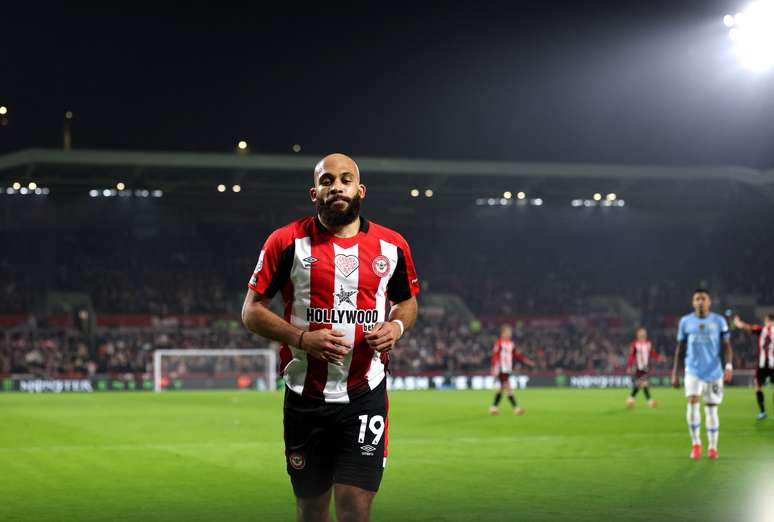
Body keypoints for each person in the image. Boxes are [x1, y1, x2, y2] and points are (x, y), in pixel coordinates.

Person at [241, 153, 420, 522]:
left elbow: (407, 302)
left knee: (355, 510)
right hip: (306, 399)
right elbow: (252, 311)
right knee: (311, 510)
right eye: (327, 181)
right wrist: (302, 338)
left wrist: (396, 327)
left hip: (364, 396)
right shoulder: (286, 241)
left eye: (345, 179)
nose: (336, 186)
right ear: (314, 192)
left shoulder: (393, 246)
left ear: (360, 190)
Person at [671, 289, 733, 460]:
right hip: (693, 370)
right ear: (693, 302)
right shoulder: (685, 322)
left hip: (714, 371)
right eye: (697, 299)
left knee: (711, 409)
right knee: (692, 401)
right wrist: (675, 373)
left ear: (709, 301)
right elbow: (680, 348)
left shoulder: (719, 321)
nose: (700, 302)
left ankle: (713, 447)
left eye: (703, 299)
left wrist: (728, 366)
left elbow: (726, 345)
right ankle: (696, 444)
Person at [733, 313, 774, 420]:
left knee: (758, 387)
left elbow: (747, 327)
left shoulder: (762, 329)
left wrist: (738, 323)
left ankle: (762, 412)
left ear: (767, 320)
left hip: (762, 364)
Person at [489, 324, 535, 415]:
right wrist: (494, 367)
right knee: (508, 386)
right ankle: (516, 408)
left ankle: (493, 407)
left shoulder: (511, 344)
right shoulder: (499, 343)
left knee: (502, 389)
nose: (509, 334)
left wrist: (527, 361)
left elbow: (517, 355)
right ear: (503, 333)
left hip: (507, 369)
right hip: (501, 368)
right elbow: (495, 355)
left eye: (510, 332)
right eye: (508, 332)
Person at [625, 327, 658, 408]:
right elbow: (631, 356)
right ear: (638, 334)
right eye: (641, 333)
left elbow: (652, 353)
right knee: (644, 383)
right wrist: (629, 366)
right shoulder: (635, 344)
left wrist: (658, 357)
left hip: (645, 367)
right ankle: (649, 401)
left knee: (639, 384)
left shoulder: (648, 344)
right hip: (638, 367)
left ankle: (631, 398)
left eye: (644, 333)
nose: (642, 334)